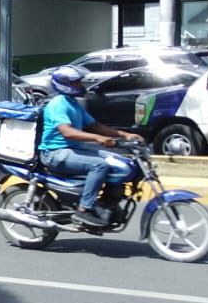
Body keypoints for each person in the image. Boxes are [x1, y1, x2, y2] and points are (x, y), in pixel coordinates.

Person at [37, 65, 143, 227]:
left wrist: (124, 135)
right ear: (64, 84)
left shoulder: (73, 103)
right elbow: (67, 132)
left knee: (119, 160)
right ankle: (84, 209)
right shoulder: (58, 104)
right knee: (99, 165)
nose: (80, 85)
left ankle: (108, 203)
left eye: (79, 82)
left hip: (73, 149)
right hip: (55, 153)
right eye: (76, 83)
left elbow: (95, 126)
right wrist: (99, 139)